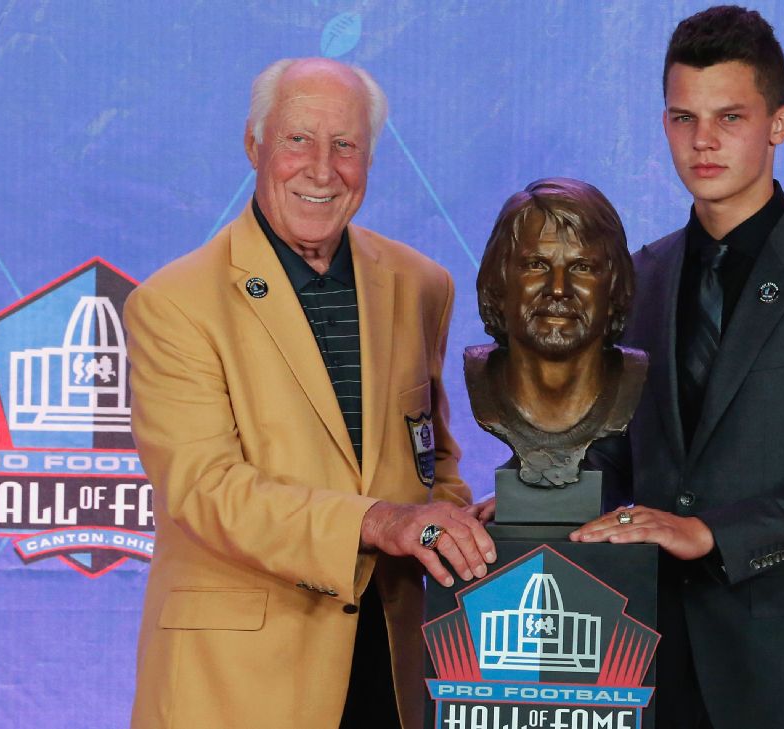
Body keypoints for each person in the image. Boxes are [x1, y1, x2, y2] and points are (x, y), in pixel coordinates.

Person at [125, 57, 494, 729]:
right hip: (236, 686)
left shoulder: (421, 284)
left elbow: (431, 459)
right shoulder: (173, 304)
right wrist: (381, 520)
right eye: (298, 139)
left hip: (392, 670)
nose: (322, 168)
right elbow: (208, 490)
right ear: (254, 144)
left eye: (345, 145)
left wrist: (462, 525)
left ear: (370, 158)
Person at [571, 6, 784, 728]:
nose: (703, 141)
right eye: (683, 118)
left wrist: (713, 533)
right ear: (664, 124)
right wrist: (533, 501)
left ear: (778, 123)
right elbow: (611, 450)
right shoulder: (639, 277)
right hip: (651, 659)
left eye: (729, 117)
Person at [464, 178, 646, 488]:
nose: (559, 288)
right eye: (536, 264)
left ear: (614, 286)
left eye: (582, 267)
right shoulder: (481, 378)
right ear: (499, 282)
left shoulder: (634, 378)